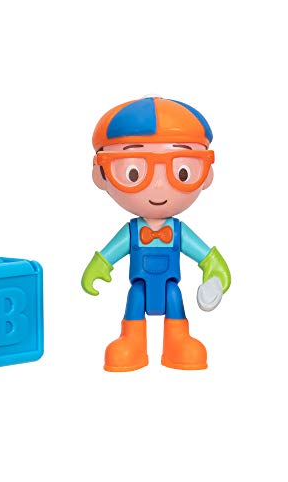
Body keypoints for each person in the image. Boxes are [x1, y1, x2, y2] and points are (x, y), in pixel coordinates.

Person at [81, 96, 231, 372]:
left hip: (170, 283)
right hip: (139, 283)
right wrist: (98, 266)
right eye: (134, 171)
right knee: (135, 300)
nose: (159, 185)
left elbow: (204, 255)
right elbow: (109, 253)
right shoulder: (133, 232)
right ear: (101, 175)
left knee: (175, 299)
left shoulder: (178, 231)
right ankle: (132, 343)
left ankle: (178, 342)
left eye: (182, 171)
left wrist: (214, 269)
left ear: (207, 175)